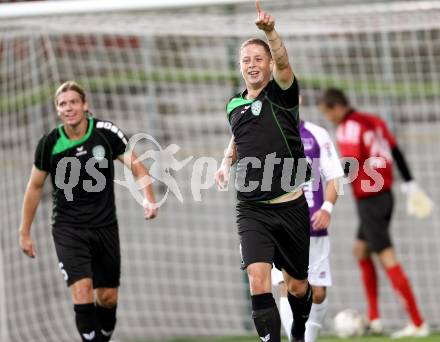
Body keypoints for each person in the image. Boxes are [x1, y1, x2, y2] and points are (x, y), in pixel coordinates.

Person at [18, 81, 158, 342]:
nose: (68, 108)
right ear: (57, 110)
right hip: (68, 229)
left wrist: (149, 199)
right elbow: (35, 186)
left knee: (107, 298)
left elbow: (137, 167)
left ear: (85, 105)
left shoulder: (106, 133)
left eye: (73, 102)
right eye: (62, 104)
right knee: (82, 292)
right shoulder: (49, 143)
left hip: (105, 227)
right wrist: (24, 231)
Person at [215, 1, 313, 341]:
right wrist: (226, 162)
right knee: (257, 279)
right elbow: (240, 136)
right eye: (246, 60)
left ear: (269, 64)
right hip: (251, 208)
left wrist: (270, 33)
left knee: (297, 286)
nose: (252, 65)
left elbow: (286, 64)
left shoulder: (283, 94)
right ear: (239, 67)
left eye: (258, 59)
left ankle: (298, 330)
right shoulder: (233, 104)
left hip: (291, 208)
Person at [319, 88, 432, 338]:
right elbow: (396, 151)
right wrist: (410, 184)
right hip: (383, 195)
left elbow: (350, 165)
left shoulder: (348, 128)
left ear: (336, 107)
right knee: (361, 250)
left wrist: (328, 179)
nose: (329, 119)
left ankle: (417, 321)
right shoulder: (374, 121)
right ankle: (375, 318)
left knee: (386, 257)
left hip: (370, 199)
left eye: (328, 113)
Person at [272, 118, 343, 342]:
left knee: (318, 292)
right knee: (287, 284)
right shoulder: (267, 131)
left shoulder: (317, 133)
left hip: (313, 224)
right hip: (282, 224)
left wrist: (327, 208)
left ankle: (306, 337)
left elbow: (335, 176)